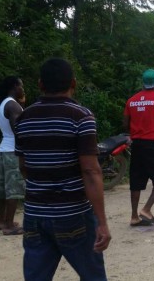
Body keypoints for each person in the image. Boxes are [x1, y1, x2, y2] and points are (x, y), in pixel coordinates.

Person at [15, 58, 111, 280]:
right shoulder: (81, 117)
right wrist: (102, 223)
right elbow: (91, 171)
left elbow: (24, 166)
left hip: (35, 216)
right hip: (73, 214)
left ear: (40, 84)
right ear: (73, 84)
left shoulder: (24, 118)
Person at [123, 69, 154, 223]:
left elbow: (125, 124)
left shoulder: (131, 100)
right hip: (152, 143)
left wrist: (130, 134)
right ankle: (146, 210)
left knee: (136, 180)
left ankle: (133, 217)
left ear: (143, 83)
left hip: (136, 145)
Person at [0, 76, 25, 236]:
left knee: (2, 188)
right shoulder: (13, 105)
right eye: (21, 86)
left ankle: (2, 220)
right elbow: (18, 130)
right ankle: (9, 225)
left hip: (2, 149)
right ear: (14, 87)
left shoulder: (0, 104)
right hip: (13, 150)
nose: (22, 89)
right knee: (14, 188)